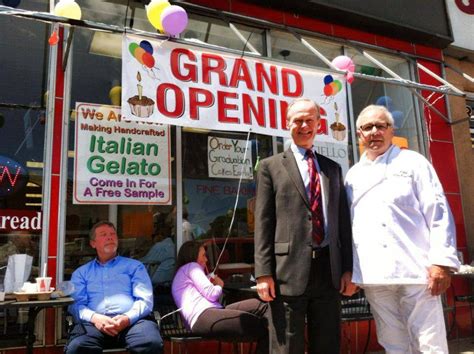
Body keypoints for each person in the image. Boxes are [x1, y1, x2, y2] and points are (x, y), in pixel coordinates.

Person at [344, 105, 460, 353]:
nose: (374, 132)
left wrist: (441, 263)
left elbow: (438, 213)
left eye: (380, 126)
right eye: (367, 127)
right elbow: (350, 226)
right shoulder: (352, 175)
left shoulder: (414, 162)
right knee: (392, 341)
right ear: (359, 134)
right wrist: (351, 270)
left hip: (417, 271)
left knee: (429, 343)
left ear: (391, 130)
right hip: (375, 274)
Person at [254, 98, 356, 354]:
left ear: (319, 125)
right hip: (286, 272)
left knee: (328, 344)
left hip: (328, 271)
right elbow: (264, 222)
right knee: (287, 346)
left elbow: (343, 223)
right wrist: (263, 273)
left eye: (309, 120)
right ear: (287, 124)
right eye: (297, 120)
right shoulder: (270, 167)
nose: (304, 125)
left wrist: (348, 268)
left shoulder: (333, 169)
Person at [65, 221, 163, 354]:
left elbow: (145, 300)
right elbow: (76, 305)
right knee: (78, 347)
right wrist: (95, 318)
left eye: (112, 234)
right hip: (94, 324)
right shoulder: (81, 273)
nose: (110, 237)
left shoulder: (135, 266)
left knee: (151, 344)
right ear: (93, 243)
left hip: (133, 322)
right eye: (103, 234)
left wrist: (126, 318)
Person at [172, 241, 269, 353]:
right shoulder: (192, 266)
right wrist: (219, 284)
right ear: (192, 255)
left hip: (209, 314)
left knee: (260, 306)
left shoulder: (183, 272)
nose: (206, 259)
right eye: (203, 255)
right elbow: (211, 294)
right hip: (203, 317)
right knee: (263, 327)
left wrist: (209, 280)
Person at [140, 223, 175, 288]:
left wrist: (135, 258)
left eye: (153, 236)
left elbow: (146, 261)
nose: (152, 238)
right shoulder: (172, 245)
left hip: (157, 279)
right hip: (168, 279)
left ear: (159, 235)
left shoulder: (160, 246)